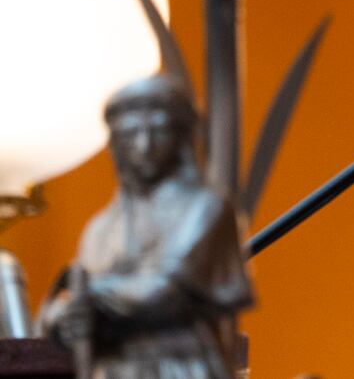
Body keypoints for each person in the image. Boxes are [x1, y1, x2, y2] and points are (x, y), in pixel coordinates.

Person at [40, 74, 252, 379]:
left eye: (159, 131)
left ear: (181, 137)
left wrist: (95, 300)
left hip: (180, 367)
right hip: (114, 369)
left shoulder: (204, 209)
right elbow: (71, 297)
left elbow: (168, 288)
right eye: (130, 134)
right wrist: (64, 318)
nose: (144, 145)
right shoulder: (100, 229)